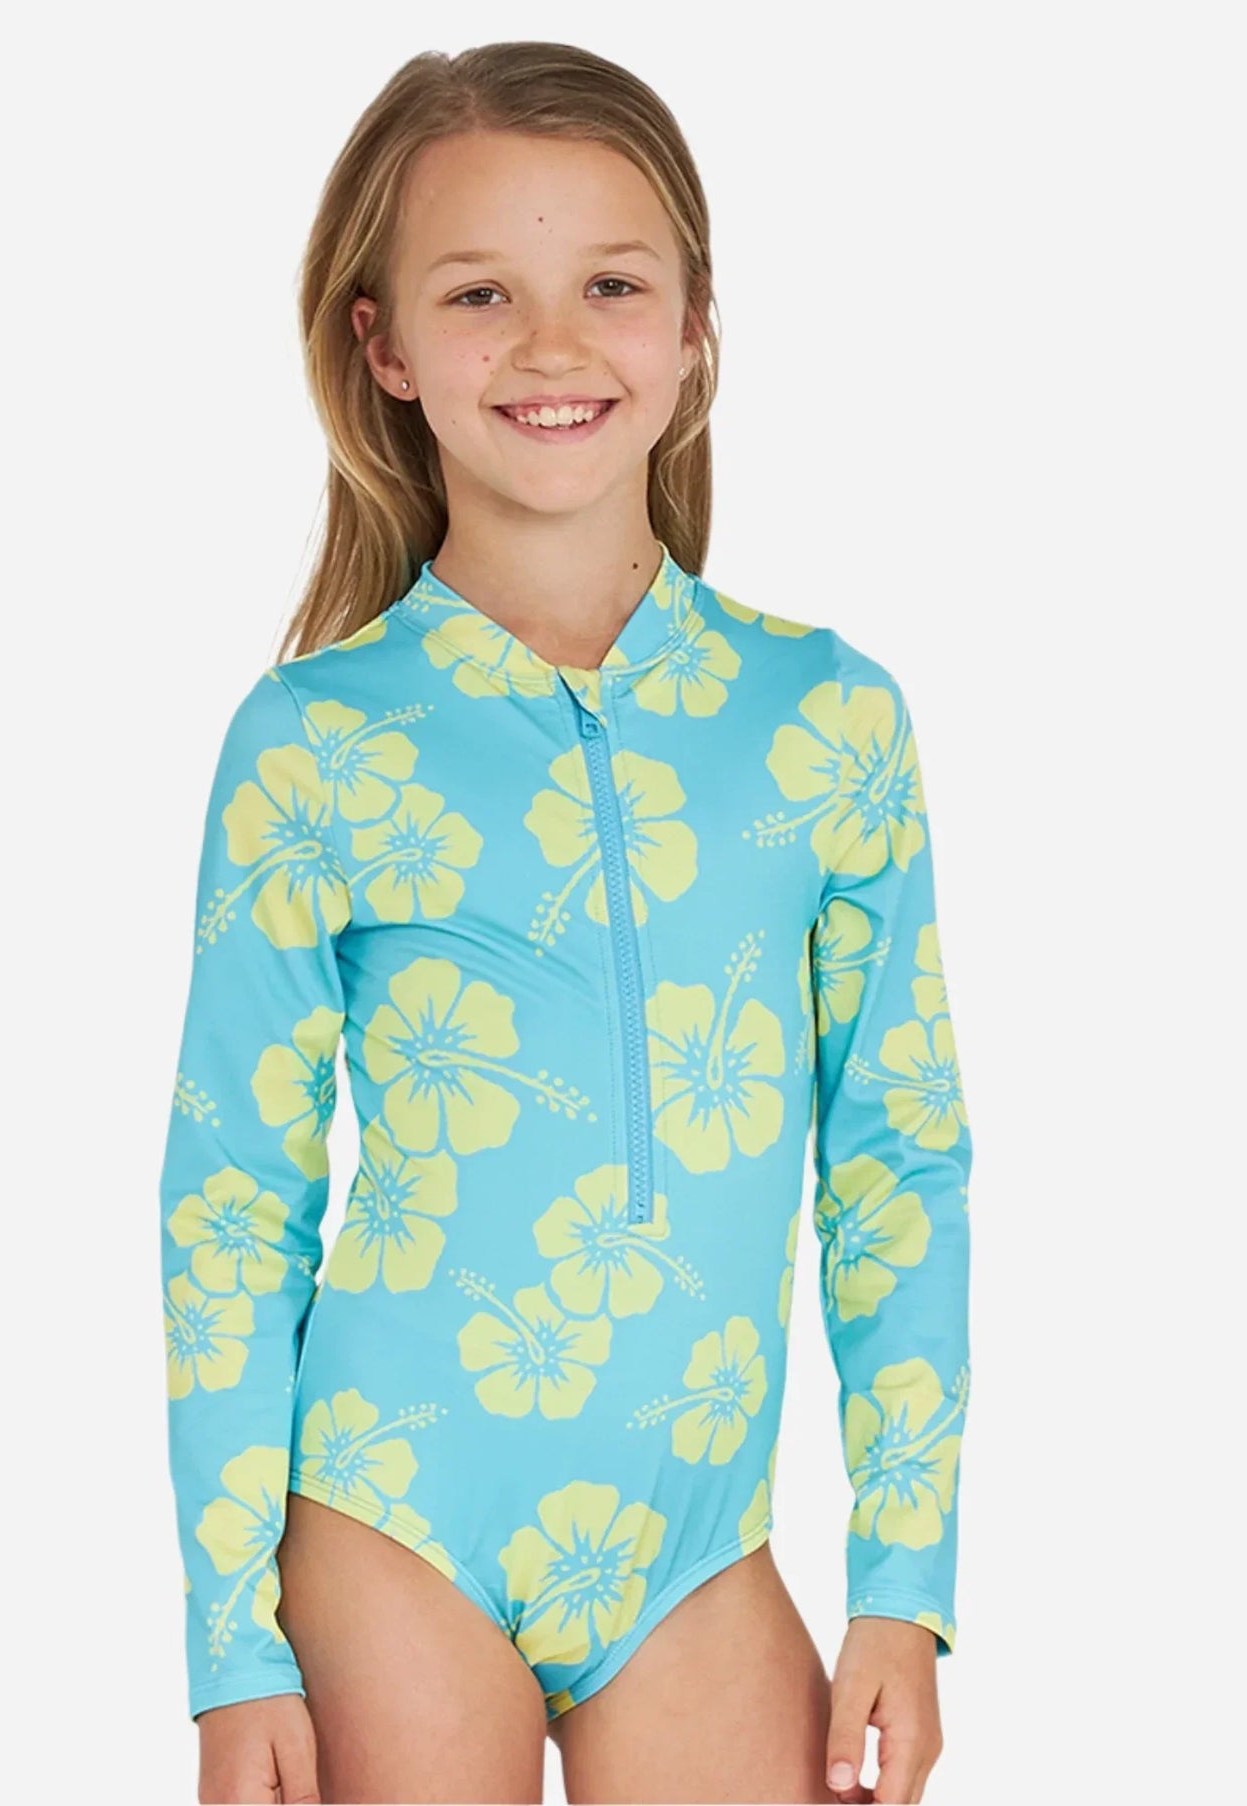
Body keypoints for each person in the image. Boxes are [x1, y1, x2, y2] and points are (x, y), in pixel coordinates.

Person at [158, 39, 972, 1806]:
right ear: (382, 343)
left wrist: (901, 1582)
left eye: (609, 285)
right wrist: (233, 1644)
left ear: (693, 327)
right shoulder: (313, 741)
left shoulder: (827, 720)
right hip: (391, 1514)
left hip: (695, 1548)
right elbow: (232, 1200)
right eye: (479, 293)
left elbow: (895, 1160)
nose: (549, 345)